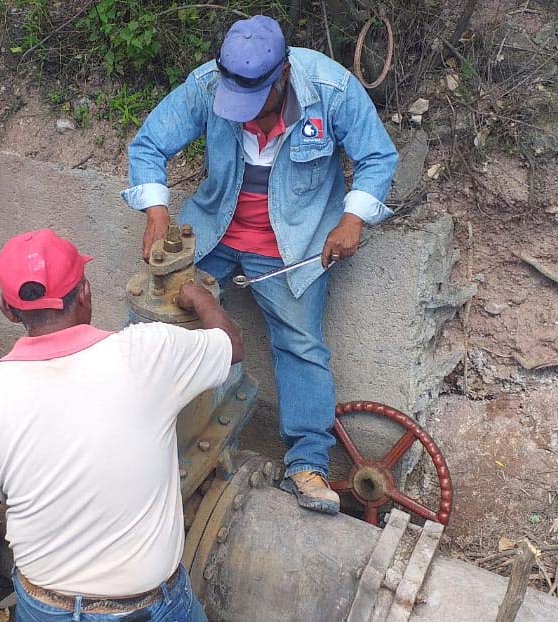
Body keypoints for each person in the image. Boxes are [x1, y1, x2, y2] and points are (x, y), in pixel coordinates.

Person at [123, 15, 398, 514]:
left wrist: (354, 218)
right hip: (213, 232)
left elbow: (378, 158)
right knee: (158, 319)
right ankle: (136, 434)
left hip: (295, 243)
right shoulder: (208, 85)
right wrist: (157, 214)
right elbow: (149, 144)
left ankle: (308, 464)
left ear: (284, 75)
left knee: (301, 344)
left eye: (256, 103)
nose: (245, 115)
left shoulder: (332, 90)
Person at [0, 229, 242, 622]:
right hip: (146, 608)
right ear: (85, 293)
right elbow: (231, 346)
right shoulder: (147, 352)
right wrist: (199, 296)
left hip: (41, 605)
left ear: (7, 309)